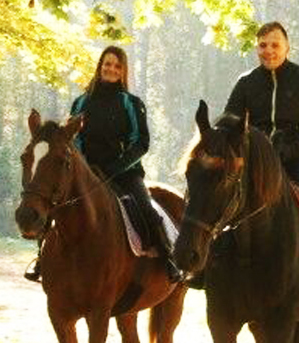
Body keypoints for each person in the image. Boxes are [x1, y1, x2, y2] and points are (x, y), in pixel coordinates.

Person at [25, 45, 182, 283]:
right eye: (107, 64)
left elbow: (141, 142)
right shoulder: (81, 102)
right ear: (100, 67)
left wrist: (116, 167)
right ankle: (41, 260)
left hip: (124, 173)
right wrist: (84, 167)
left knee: (147, 209)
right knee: (53, 203)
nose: (111, 69)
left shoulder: (131, 103)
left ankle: (169, 261)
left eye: (117, 66)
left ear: (123, 71)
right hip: (85, 172)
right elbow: (71, 139)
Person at [224, 22, 299, 294]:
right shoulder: (246, 83)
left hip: (294, 160)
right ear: (257, 48)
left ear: (287, 47)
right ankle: (205, 268)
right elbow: (229, 121)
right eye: (263, 45)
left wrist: (292, 150)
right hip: (252, 163)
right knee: (217, 193)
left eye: (275, 45)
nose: (269, 51)